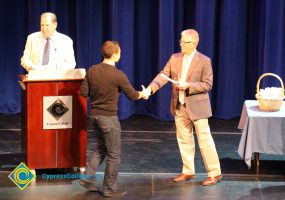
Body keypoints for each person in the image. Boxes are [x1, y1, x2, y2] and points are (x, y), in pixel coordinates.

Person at [144, 29, 222, 186]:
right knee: (184, 139)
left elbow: (208, 84)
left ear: (193, 43)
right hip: (180, 105)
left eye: (183, 41)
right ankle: (188, 170)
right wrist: (150, 89)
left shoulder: (204, 60)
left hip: (198, 107)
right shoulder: (175, 58)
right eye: (180, 40)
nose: (180, 43)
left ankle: (214, 173)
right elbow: (163, 75)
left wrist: (188, 85)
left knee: (204, 140)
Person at [79, 40, 148, 197]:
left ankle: (87, 178)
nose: (120, 55)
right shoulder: (118, 75)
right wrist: (143, 94)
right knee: (114, 155)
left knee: (101, 148)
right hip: (109, 119)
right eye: (120, 53)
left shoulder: (92, 70)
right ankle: (109, 189)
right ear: (115, 55)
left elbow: (83, 93)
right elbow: (132, 95)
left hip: (94, 117)